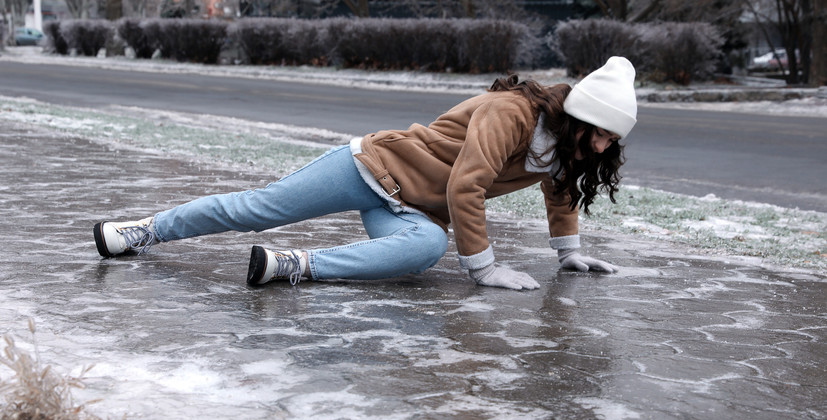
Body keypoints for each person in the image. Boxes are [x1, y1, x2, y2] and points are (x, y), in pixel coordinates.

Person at [94, 56, 638, 291]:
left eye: (614, 138)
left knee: (423, 251)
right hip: (371, 167)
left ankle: (291, 266)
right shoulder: (512, 114)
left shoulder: (566, 147)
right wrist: (485, 269)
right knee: (256, 210)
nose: (604, 145)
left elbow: (560, 188)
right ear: (577, 117)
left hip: (413, 209)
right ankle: (141, 231)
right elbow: (467, 184)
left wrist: (568, 253)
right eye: (601, 132)